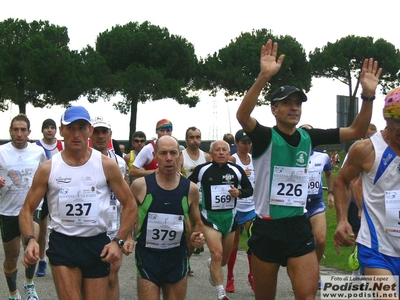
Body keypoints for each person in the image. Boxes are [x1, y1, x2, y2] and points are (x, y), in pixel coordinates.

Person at [236, 39, 382, 300]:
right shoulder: (264, 137)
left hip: (298, 227)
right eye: (287, 102)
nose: (294, 107)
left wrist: (368, 95)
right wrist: (263, 77)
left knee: (307, 295)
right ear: (274, 108)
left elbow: (357, 131)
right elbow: (242, 116)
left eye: (298, 103)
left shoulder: (308, 137)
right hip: (267, 229)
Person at [19, 106, 137, 300]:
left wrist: (118, 241)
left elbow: (130, 204)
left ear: (89, 130)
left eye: (81, 127)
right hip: (63, 243)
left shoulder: (106, 165)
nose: (76, 134)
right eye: (70, 127)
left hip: (96, 243)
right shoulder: (48, 168)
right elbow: (27, 209)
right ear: (61, 130)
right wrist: (30, 239)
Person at [334, 88, 400, 281]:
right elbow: (342, 181)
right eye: (397, 122)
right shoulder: (367, 149)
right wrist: (342, 219)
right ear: (386, 118)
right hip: (376, 248)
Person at [130, 135, 205, 300]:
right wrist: (127, 237)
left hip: (176, 258)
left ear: (179, 155)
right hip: (148, 257)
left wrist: (197, 237)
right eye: (163, 153)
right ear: (155, 155)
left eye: (173, 153)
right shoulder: (140, 186)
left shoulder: (190, 189)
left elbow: (197, 223)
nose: (169, 158)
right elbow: (127, 212)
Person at [189, 140, 253, 300]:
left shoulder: (236, 170)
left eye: (224, 150)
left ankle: (213, 264)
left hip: (230, 219)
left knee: (223, 259)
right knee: (217, 253)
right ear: (211, 154)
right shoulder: (203, 170)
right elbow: (187, 185)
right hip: (210, 217)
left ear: (229, 153)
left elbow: (249, 189)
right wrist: (193, 201)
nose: (221, 152)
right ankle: (221, 292)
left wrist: (239, 193)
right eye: (217, 150)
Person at [0, 114, 47, 300]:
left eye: (23, 130)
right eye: (16, 130)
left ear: (29, 132)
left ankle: (29, 285)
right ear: (10, 131)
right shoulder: (1, 151)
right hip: (8, 211)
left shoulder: (38, 152)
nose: (19, 133)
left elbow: (47, 177)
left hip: (32, 209)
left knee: (32, 249)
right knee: (12, 257)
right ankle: (13, 294)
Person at [89, 115, 134, 300]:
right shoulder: (82, 160)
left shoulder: (120, 162)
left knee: (112, 275)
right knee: (90, 280)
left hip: (113, 227)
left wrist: (127, 235)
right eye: (97, 132)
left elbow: (127, 200)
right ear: (90, 134)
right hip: (89, 228)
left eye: (104, 132)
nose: (100, 136)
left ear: (110, 135)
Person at [299, 124, 334, 289]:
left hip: (315, 203)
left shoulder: (323, 157)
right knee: (299, 245)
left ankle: (314, 269)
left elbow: (329, 173)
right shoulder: (291, 155)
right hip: (296, 206)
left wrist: (331, 193)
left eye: (310, 132)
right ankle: (300, 277)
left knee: (319, 240)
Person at [226, 129, 256, 293]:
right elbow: (226, 180)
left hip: (251, 206)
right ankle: (230, 277)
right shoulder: (232, 159)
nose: (247, 145)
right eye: (243, 142)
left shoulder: (254, 159)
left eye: (249, 142)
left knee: (254, 241)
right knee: (234, 245)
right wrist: (240, 175)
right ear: (236, 143)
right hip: (236, 207)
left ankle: (252, 275)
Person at [34, 118, 64, 278]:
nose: (50, 130)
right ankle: (42, 259)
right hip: (43, 190)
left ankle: (64, 258)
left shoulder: (62, 146)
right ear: (43, 130)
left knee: (63, 224)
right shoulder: (36, 147)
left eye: (52, 127)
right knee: (42, 229)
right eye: (47, 128)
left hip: (60, 191)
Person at [180, 126, 212, 274]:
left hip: (201, 202)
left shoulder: (206, 157)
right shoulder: (181, 156)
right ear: (186, 140)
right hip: (184, 201)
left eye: (198, 137)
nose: (195, 140)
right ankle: (181, 260)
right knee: (185, 233)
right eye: (192, 137)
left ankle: (185, 260)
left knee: (195, 234)